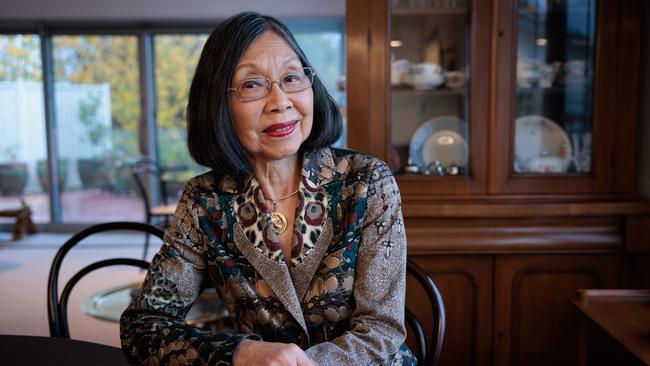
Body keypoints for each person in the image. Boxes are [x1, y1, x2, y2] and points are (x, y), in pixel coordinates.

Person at [120, 11, 414, 366]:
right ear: (218, 104)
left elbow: (381, 330)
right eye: (252, 85)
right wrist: (238, 352)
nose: (280, 102)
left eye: (292, 77)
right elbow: (143, 325)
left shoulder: (366, 182)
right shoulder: (205, 202)